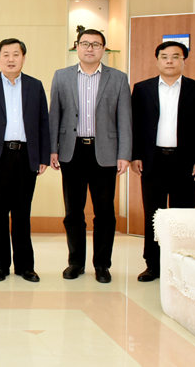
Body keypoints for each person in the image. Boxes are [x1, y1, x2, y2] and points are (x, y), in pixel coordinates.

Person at [49, 29, 131, 284]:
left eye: (96, 44)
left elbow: (125, 118)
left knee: (105, 212)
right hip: (72, 151)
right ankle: (75, 262)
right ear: (77, 47)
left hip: (105, 153)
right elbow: (54, 115)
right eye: (85, 43)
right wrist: (52, 148)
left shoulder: (118, 78)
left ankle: (102, 265)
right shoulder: (62, 76)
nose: (90, 48)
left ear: (103, 49)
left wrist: (124, 154)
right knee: (73, 211)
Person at [131, 40, 195, 282]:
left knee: (182, 216)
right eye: (164, 56)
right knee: (153, 215)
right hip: (152, 160)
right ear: (157, 60)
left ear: (183, 61)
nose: (169, 61)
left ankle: (180, 266)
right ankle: (153, 265)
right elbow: (135, 125)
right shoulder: (142, 89)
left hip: (185, 162)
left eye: (176, 57)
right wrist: (135, 155)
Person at [0, 38, 50, 283]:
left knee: (22, 212)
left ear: (23, 58)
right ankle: (0, 265)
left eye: (16, 54)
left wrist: (44, 156)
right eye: (5, 54)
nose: (11, 59)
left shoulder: (35, 86)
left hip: (26, 156)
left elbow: (43, 122)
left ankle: (25, 266)